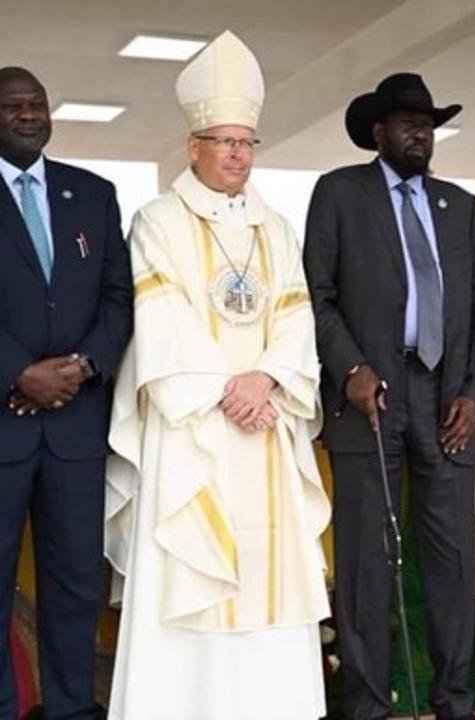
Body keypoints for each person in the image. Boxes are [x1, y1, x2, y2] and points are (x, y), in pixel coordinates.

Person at [104, 31, 331, 720]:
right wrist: (224, 390)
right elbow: (162, 318)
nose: (236, 154)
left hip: (265, 423)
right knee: (191, 563)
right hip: (193, 430)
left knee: (271, 575)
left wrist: (267, 380)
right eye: (223, 141)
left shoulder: (276, 228)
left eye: (246, 142)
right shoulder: (157, 222)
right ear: (192, 145)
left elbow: (297, 316)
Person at [303, 72, 475, 720]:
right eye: (409, 123)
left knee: (449, 561)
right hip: (371, 394)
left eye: (429, 124)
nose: (422, 133)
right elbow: (317, 295)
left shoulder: (460, 207)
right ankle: (366, 705)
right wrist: (351, 367)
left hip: (447, 399)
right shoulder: (339, 194)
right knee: (367, 559)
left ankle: (454, 702)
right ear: (378, 131)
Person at [0, 66, 133, 719]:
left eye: (37, 104)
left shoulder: (93, 195)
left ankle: (72, 710)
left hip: (76, 431)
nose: (28, 115)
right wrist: (18, 372)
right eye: (12, 106)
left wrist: (81, 366)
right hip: (4, 424)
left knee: (76, 586)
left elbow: (119, 297)